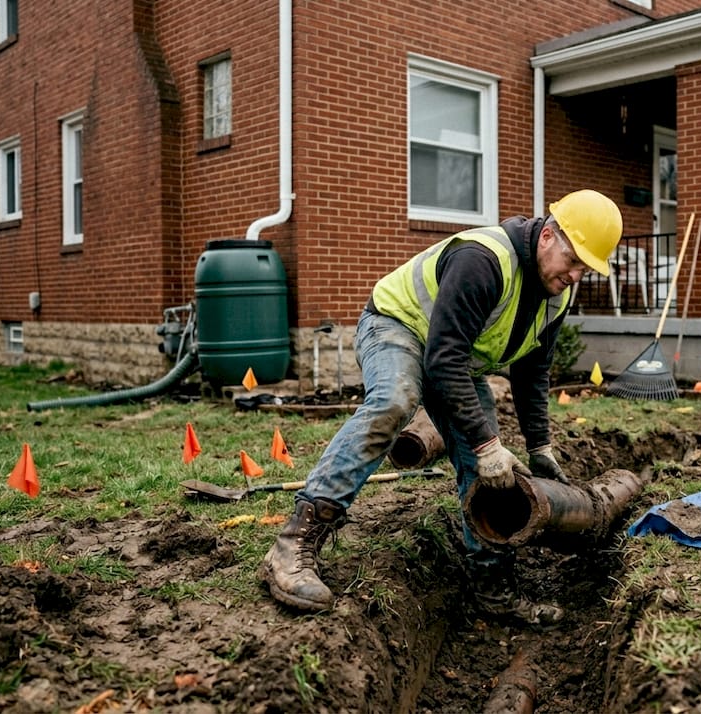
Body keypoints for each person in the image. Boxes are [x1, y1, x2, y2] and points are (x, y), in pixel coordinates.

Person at [261, 189, 623, 625]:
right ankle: (292, 546)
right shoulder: (484, 259)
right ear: (548, 236)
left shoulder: (554, 295)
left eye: (587, 268)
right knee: (395, 402)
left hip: (453, 357)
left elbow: (532, 375)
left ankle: (493, 589)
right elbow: (443, 359)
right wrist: (490, 443)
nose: (577, 275)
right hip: (399, 325)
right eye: (574, 260)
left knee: (486, 465)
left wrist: (539, 447)